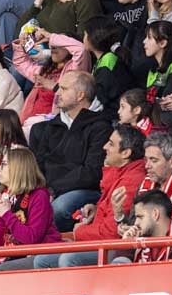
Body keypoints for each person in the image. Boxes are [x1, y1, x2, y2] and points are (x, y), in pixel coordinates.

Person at [36, 124, 147, 269]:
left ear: (125, 153)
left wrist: (79, 232)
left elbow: (112, 232)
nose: (104, 147)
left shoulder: (130, 182)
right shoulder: (119, 172)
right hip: (98, 239)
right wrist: (96, 210)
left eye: (111, 144)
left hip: (113, 247)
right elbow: (109, 212)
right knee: (42, 259)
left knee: (70, 259)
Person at [28, 71, 113, 231]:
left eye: (64, 89)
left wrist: (53, 188)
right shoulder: (49, 126)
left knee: (58, 208)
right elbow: (39, 164)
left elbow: (92, 173)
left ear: (80, 95)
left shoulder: (101, 128)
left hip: (84, 192)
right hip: (51, 190)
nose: (57, 93)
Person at [0, 148, 62, 269]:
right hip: (13, 255)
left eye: (3, 164)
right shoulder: (4, 195)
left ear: (18, 168)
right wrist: (0, 216)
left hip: (40, 254)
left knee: (3, 269)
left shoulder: (39, 196)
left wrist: (6, 214)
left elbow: (31, 239)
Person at [109, 189, 172, 264]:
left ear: (155, 214)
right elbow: (118, 279)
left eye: (140, 217)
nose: (136, 223)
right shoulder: (135, 243)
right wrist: (126, 246)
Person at [83, 16, 134, 119]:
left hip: (113, 117)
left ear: (92, 37)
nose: (83, 38)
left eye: (85, 34)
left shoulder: (108, 60)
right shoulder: (103, 59)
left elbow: (101, 98)